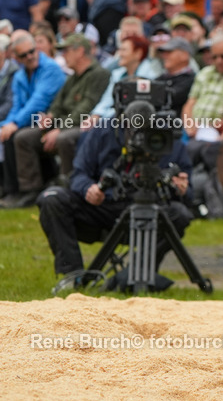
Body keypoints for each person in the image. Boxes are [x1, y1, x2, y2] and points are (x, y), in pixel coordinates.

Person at [37, 99, 193, 284]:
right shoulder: (103, 131)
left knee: (180, 214)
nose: (138, 136)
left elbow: (189, 192)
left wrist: (182, 188)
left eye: (144, 129)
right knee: (52, 198)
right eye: (132, 129)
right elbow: (78, 174)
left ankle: (135, 273)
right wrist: (89, 189)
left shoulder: (167, 138)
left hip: (149, 212)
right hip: (103, 207)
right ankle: (73, 274)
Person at [13, 33, 109, 202]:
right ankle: (30, 190)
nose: (63, 56)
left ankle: (69, 187)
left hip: (85, 126)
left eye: (66, 51)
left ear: (80, 51)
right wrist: (50, 117)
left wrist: (59, 128)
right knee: (24, 137)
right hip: (64, 124)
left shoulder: (99, 74)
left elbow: (85, 109)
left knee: (64, 139)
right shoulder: (73, 76)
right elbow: (58, 103)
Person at [0, 31, 65, 207]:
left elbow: (38, 102)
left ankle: (29, 190)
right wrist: (7, 125)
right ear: (16, 58)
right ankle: (11, 190)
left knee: (19, 136)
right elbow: (17, 106)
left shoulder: (50, 69)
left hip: (55, 120)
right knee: (8, 135)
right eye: (24, 55)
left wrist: (15, 123)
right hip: (34, 120)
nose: (30, 56)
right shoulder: (20, 76)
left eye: (32, 51)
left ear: (36, 49)